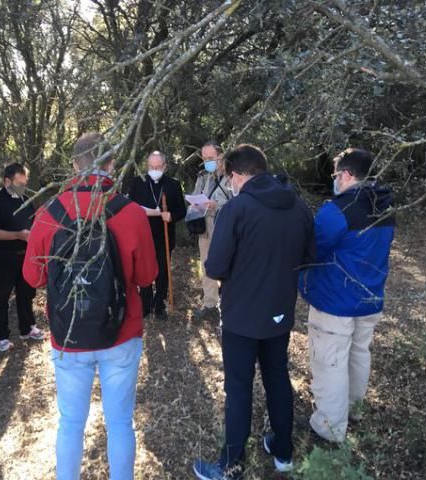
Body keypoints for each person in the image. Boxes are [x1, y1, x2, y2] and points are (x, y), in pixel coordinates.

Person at [23, 132, 158, 480]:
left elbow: (33, 277)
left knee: (70, 423)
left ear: (74, 165)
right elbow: (146, 276)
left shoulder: (49, 213)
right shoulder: (129, 212)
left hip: (69, 335)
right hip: (121, 332)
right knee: (119, 424)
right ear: (111, 164)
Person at [193, 145, 314, 479]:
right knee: (277, 378)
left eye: (231, 178)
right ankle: (283, 451)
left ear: (237, 175)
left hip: (241, 317)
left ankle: (231, 464)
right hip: (280, 312)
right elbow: (309, 255)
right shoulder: (299, 207)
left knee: (239, 388)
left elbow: (215, 266)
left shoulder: (237, 210)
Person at [299, 148, 394, 443]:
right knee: (359, 353)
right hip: (370, 296)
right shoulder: (385, 205)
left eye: (336, 174)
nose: (335, 180)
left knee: (330, 362)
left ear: (348, 174)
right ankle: (354, 409)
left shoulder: (337, 210)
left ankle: (329, 427)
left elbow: (313, 249)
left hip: (335, 301)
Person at [0, 163, 44, 352]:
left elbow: (33, 224)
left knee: (26, 292)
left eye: (24, 183)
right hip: (2, 255)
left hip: (24, 255)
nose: (22, 187)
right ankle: (0, 336)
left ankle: (27, 327)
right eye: (18, 183)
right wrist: (17, 235)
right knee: (1, 296)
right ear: (7, 181)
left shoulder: (25, 200)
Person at [127, 151, 186, 319]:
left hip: (165, 235)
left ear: (165, 167)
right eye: (151, 166)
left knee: (162, 271)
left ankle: (159, 305)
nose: (154, 169)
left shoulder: (173, 185)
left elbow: (181, 210)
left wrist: (172, 216)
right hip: (143, 235)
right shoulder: (138, 183)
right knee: (144, 270)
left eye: (158, 167)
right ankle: (145, 304)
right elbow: (130, 207)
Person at [191, 141, 232, 320]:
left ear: (220, 156)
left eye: (211, 158)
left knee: (228, 264)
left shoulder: (230, 175)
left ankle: (230, 303)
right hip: (205, 226)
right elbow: (195, 196)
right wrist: (195, 204)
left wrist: (217, 205)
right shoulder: (202, 175)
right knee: (206, 264)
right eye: (205, 158)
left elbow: (238, 202)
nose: (207, 161)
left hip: (225, 225)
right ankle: (209, 303)